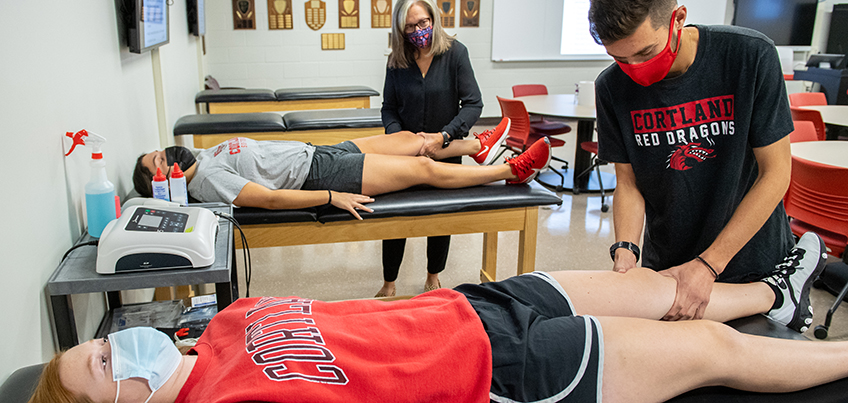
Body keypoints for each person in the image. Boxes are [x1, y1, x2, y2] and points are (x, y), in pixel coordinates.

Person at [30, 233, 842, 403]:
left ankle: (777, 294)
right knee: (703, 348)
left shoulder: (218, 327)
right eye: (104, 365)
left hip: (472, 302)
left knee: (666, 288)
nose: (116, 344)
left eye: (100, 342)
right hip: (501, 372)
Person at [589, 0, 796, 324]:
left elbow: (776, 172)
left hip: (751, 260)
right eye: (620, 59)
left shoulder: (749, 56)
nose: (634, 69)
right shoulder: (611, 86)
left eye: (645, 54)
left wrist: (709, 264)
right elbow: (629, 183)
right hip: (669, 259)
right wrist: (626, 252)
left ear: (678, 19)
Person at [132, 125, 541, 220]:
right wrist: (330, 198)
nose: (166, 154)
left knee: (411, 137)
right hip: (319, 177)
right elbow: (270, 199)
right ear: (162, 180)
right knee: (422, 167)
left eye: (159, 151)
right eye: (158, 161)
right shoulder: (206, 180)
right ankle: (509, 171)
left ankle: (477, 146)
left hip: (317, 153)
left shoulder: (197, 156)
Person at [378, 0, 488, 298]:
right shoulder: (396, 61)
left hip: (445, 151)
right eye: (410, 27)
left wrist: (444, 136)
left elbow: (474, 103)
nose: (418, 31)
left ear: (434, 19)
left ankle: (433, 275)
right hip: (404, 155)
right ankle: (389, 283)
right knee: (395, 217)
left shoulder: (455, 53)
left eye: (423, 23)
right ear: (401, 30)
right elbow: (388, 109)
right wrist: (398, 137)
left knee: (441, 217)